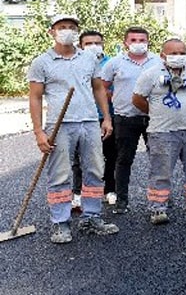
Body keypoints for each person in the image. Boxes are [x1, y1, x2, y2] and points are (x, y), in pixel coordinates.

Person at [27, 15, 119, 244]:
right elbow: (35, 98)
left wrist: (106, 118)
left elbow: (98, 88)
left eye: (71, 28)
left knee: (95, 171)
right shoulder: (42, 62)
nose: (66, 31)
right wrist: (39, 132)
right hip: (59, 126)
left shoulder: (89, 59)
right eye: (62, 28)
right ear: (52, 32)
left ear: (77, 32)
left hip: (89, 122)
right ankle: (60, 223)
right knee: (59, 175)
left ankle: (92, 217)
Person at [132, 38, 186, 225]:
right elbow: (137, 99)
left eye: (181, 53)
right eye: (173, 53)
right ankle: (158, 208)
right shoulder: (151, 74)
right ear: (163, 55)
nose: (178, 57)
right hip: (163, 131)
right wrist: (155, 112)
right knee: (161, 171)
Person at [101, 26, 160, 214]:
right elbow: (102, 88)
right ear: (125, 42)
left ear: (148, 41)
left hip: (155, 118)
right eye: (133, 40)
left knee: (159, 160)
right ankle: (121, 201)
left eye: (142, 40)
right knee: (123, 160)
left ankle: (159, 201)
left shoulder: (158, 62)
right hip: (125, 119)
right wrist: (114, 101)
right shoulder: (114, 63)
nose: (138, 44)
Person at [71, 30, 116, 211]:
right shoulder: (75, 64)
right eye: (88, 43)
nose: (93, 46)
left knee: (109, 155)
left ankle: (109, 190)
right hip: (80, 117)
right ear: (81, 46)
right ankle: (78, 193)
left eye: (97, 42)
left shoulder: (111, 63)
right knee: (78, 159)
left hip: (105, 116)